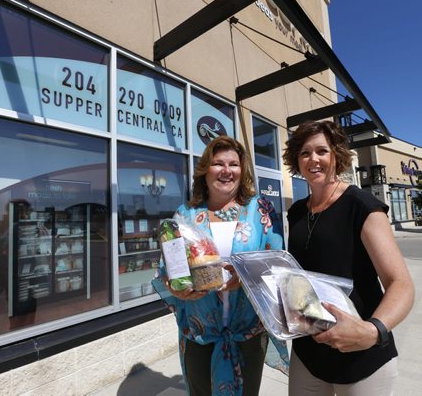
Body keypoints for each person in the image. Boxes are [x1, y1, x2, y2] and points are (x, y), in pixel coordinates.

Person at [282, 120, 415, 396]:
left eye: (322, 151)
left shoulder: (361, 206)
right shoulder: (296, 212)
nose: (313, 159)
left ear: (336, 155)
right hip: (308, 352)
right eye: (305, 153)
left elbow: (400, 283)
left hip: (360, 356)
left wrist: (373, 331)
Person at [153, 136, 289, 396]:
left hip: (247, 334)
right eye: (218, 164)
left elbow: (278, 265)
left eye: (234, 164)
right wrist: (175, 287)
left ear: (242, 170)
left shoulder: (260, 211)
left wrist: (246, 277)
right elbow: (167, 268)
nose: (227, 170)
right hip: (199, 333)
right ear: (205, 171)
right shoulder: (185, 214)